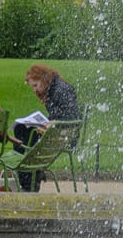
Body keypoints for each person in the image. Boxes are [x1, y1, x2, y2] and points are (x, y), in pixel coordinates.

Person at [10, 64, 79, 192]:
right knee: (21, 128)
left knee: (25, 135)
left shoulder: (60, 89)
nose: (34, 90)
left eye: (35, 86)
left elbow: (72, 117)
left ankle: (28, 179)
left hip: (64, 134)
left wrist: (53, 124)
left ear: (43, 79)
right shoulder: (53, 88)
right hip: (57, 130)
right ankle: (29, 175)